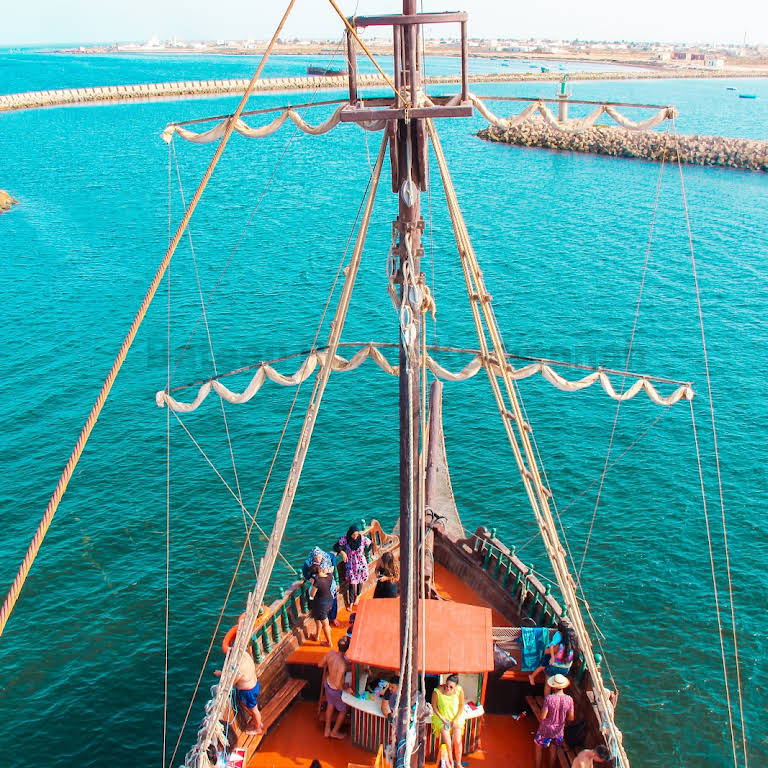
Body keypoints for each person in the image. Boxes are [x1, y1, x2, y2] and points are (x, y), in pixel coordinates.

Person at [214, 642, 263, 735]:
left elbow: (232, 681)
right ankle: (257, 720)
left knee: (254, 710)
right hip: (254, 686)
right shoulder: (246, 655)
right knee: (243, 704)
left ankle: (258, 728)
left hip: (248, 691)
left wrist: (220, 674)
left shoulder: (240, 666)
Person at [534, 674, 575, 768]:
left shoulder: (549, 699)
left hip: (545, 730)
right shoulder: (569, 700)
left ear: (554, 686)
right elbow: (571, 718)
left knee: (538, 748)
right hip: (559, 731)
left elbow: (543, 716)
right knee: (553, 751)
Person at [528, 619, 577, 694]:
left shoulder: (559, 646)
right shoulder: (574, 648)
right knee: (558, 685)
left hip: (554, 668)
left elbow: (547, 651)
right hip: (565, 670)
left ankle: (547, 701)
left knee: (548, 684)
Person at [319, 635, 351, 738]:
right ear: (347, 649)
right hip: (336, 690)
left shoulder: (330, 653)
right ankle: (334, 732)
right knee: (343, 710)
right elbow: (338, 684)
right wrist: (347, 689)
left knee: (330, 704)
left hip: (328, 685)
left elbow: (320, 664)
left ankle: (327, 730)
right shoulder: (342, 665)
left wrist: (330, 670)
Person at [431, 674, 465, 768]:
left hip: (455, 717)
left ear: (455, 687)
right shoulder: (437, 691)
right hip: (442, 718)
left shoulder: (459, 690)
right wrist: (443, 719)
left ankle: (458, 763)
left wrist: (455, 719)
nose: (448, 688)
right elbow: (434, 707)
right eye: (447, 685)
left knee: (458, 741)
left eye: (451, 687)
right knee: (448, 743)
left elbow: (462, 705)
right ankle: (451, 764)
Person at [303, 547, 340, 627]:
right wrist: (310, 578)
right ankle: (325, 620)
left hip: (329, 583)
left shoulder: (327, 557)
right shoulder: (308, 563)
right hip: (318, 586)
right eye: (315, 557)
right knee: (322, 605)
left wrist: (333, 566)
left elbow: (333, 556)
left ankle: (333, 618)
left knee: (333, 600)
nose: (318, 559)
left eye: (319, 557)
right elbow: (305, 572)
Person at [335, 525, 371, 607]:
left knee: (360, 580)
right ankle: (351, 601)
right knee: (351, 582)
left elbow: (371, 544)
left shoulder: (362, 538)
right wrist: (343, 552)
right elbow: (336, 546)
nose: (355, 537)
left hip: (361, 564)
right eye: (353, 535)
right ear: (350, 534)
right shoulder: (345, 539)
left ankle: (358, 595)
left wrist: (366, 551)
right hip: (351, 565)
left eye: (356, 535)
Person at [309, 563, 336, 647]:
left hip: (321, 605)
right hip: (329, 600)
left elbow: (312, 594)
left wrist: (312, 583)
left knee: (325, 624)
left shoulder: (317, 581)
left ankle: (329, 643)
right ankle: (317, 636)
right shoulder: (329, 576)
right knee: (319, 619)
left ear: (315, 574)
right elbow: (330, 571)